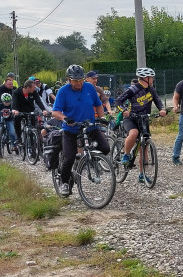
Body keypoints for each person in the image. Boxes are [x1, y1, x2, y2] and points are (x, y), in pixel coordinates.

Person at [52, 64, 111, 198]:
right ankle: (65, 182)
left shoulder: (89, 87)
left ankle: (89, 160)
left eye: (80, 80)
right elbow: (55, 112)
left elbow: (98, 104)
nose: (78, 83)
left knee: (106, 148)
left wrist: (101, 118)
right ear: (69, 80)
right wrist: (65, 118)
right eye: (75, 81)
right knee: (69, 158)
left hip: (90, 127)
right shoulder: (63, 91)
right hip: (71, 129)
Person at [114, 67, 167, 169]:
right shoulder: (133, 89)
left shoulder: (151, 90)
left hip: (143, 119)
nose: (153, 79)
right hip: (131, 118)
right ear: (145, 78)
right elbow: (118, 101)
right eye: (151, 77)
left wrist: (162, 109)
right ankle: (126, 154)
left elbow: (158, 101)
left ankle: (142, 174)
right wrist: (123, 110)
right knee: (134, 133)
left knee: (144, 148)